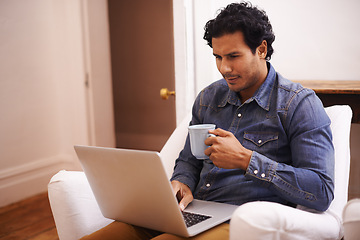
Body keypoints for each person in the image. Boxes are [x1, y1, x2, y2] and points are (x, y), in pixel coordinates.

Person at [81, 2, 334, 239]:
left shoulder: (299, 104)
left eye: (233, 56)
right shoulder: (208, 98)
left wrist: (247, 160)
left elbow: (321, 190)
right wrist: (181, 182)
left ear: (261, 49)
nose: (224, 68)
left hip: (241, 220)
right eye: (218, 57)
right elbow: (190, 160)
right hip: (193, 211)